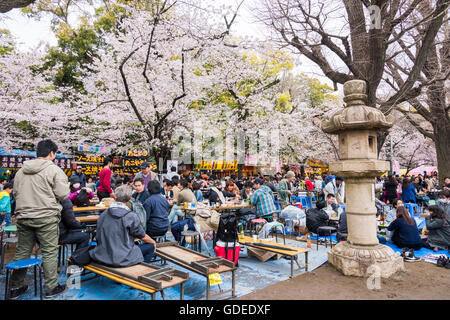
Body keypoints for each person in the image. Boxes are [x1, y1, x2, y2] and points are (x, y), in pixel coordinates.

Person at [10, 139, 70, 299]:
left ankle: (15, 287)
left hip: (23, 217)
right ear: (52, 153)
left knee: (22, 251)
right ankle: (51, 287)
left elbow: (15, 194)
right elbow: (63, 194)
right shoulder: (54, 170)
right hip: (46, 217)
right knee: (49, 252)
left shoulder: (20, 172)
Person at [90, 185, 156, 265]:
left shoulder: (104, 214)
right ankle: (141, 271)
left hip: (102, 255)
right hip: (123, 258)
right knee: (150, 246)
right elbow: (142, 236)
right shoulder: (131, 216)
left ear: (115, 197)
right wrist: (153, 242)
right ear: (128, 199)